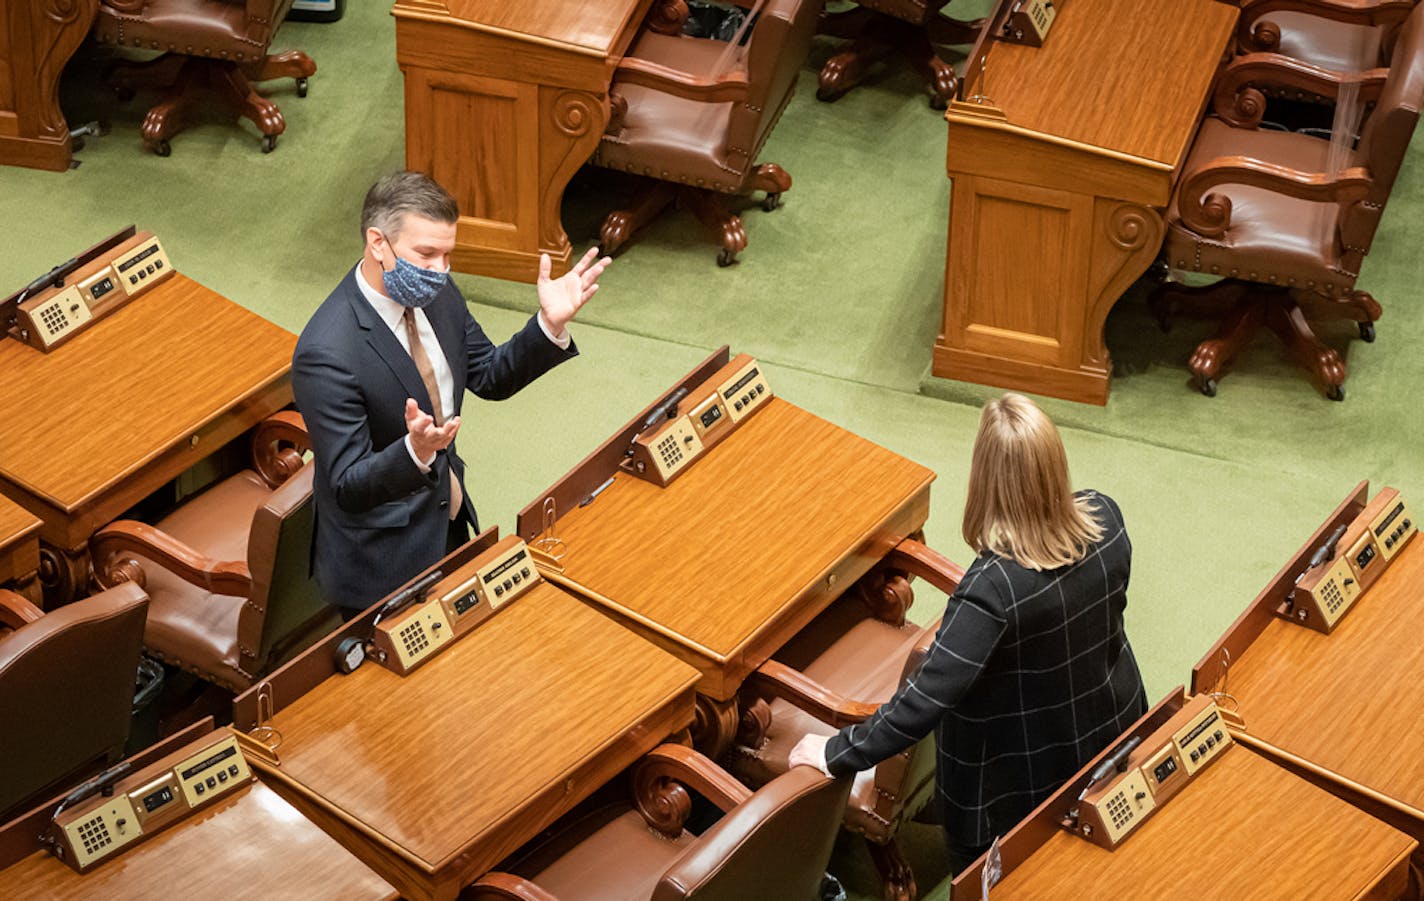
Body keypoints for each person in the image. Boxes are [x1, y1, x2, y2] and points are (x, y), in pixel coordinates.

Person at [789, 393, 1148, 871]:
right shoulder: (1108, 519)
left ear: (987, 481)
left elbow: (919, 705)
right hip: (1111, 739)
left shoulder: (992, 591)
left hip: (1016, 794)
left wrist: (834, 753)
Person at [292, 170, 609, 615]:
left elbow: (489, 375)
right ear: (378, 243)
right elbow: (346, 485)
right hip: (382, 561)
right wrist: (414, 453)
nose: (441, 270)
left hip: (448, 512)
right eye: (426, 254)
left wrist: (549, 326)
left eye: (448, 254)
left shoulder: (438, 292)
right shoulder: (327, 352)